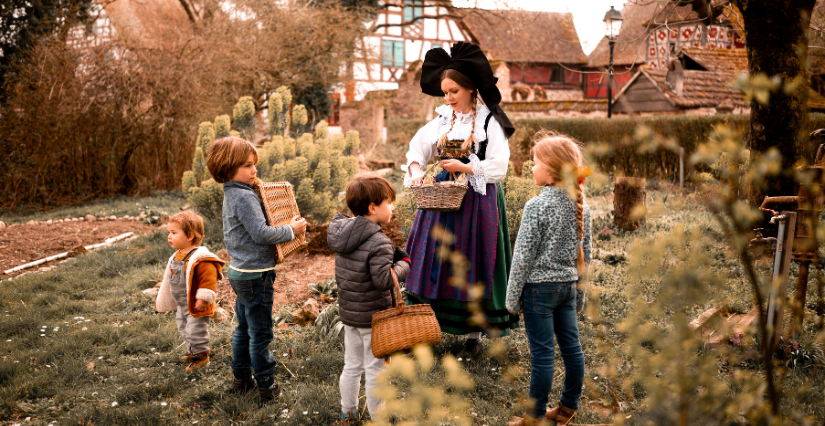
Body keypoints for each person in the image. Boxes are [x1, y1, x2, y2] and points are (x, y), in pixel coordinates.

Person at [402, 41, 519, 354]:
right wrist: (415, 171)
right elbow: (416, 150)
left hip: (478, 201)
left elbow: (499, 166)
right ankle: (426, 326)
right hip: (442, 201)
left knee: (472, 260)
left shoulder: (490, 122)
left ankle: (473, 336)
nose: (448, 97)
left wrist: (465, 166)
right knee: (433, 259)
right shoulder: (442, 121)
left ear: (470, 89)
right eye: (445, 92)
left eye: (453, 91)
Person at [206, 136, 308, 406]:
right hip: (256, 274)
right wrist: (291, 230)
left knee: (243, 329)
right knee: (261, 333)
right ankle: (267, 386)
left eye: (255, 165)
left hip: (240, 272)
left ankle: (241, 379)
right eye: (248, 166)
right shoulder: (245, 198)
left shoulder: (232, 192)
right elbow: (262, 234)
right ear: (228, 168)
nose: (255, 171)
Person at [505, 131, 592, 426]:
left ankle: (535, 417)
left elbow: (522, 257)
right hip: (567, 289)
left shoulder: (537, 206)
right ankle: (567, 408)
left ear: (551, 171)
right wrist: (580, 296)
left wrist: (511, 298)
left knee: (542, 355)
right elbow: (586, 256)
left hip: (538, 292)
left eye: (535, 162)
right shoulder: (582, 207)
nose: (531, 167)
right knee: (572, 349)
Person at [327, 176, 411, 424]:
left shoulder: (343, 234)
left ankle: (348, 412)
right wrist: (404, 264)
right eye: (389, 202)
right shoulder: (379, 242)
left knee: (352, 366)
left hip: (351, 316)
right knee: (376, 371)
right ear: (373, 207)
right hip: (375, 319)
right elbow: (384, 281)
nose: (392, 207)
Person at [155, 211, 225, 371]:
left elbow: (208, 280)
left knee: (196, 330)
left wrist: (203, 298)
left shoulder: (201, 259)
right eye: (169, 233)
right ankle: (193, 351)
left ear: (190, 236)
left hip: (196, 305)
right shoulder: (177, 256)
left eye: (174, 232)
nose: (169, 236)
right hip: (182, 304)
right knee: (183, 327)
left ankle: (201, 357)